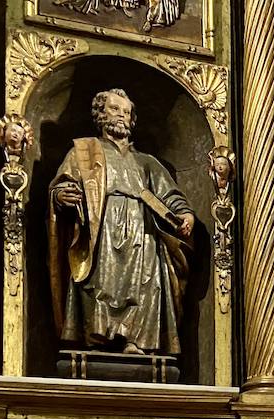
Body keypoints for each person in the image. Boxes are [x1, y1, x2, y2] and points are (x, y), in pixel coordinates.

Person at [48, 89, 195, 356]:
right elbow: (64, 183)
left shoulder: (146, 162)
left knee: (146, 284)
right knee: (100, 281)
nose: (122, 116)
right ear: (101, 114)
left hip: (143, 231)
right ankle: (99, 339)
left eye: (126, 112)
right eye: (115, 109)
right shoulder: (83, 151)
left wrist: (185, 215)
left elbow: (170, 196)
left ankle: (135, 341)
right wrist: (61, 195)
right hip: (101, 225)